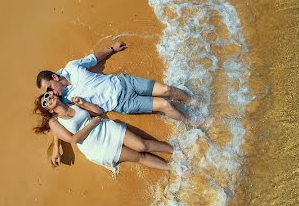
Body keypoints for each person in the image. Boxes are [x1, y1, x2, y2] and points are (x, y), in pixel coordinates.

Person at [36, 42, 192, 165]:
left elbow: (94, 58)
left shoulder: (72, 67)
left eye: (49, 88)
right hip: (122, 102)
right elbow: (58, 123)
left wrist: (111, 49)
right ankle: (192, 123)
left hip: (124, 82)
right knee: (165, 105)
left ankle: (194, 102)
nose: (50, 93)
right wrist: (56, 146)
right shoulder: (63, 100)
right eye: (47, 93)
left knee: (166, 89)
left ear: (55, 77)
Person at [34, 89, 173, 171]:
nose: (48, 99)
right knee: (139, 157)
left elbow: (99, 112)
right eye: (45, 103)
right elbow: (73, 139)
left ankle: (175, 150)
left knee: (143, 145)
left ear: (52, 93)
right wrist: (92, 123)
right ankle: (173, 169)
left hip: (106, 128)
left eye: (47, 95)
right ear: (49, 109)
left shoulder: (72, 101)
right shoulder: (54, 122)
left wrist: (84, 103)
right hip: (97, 147)